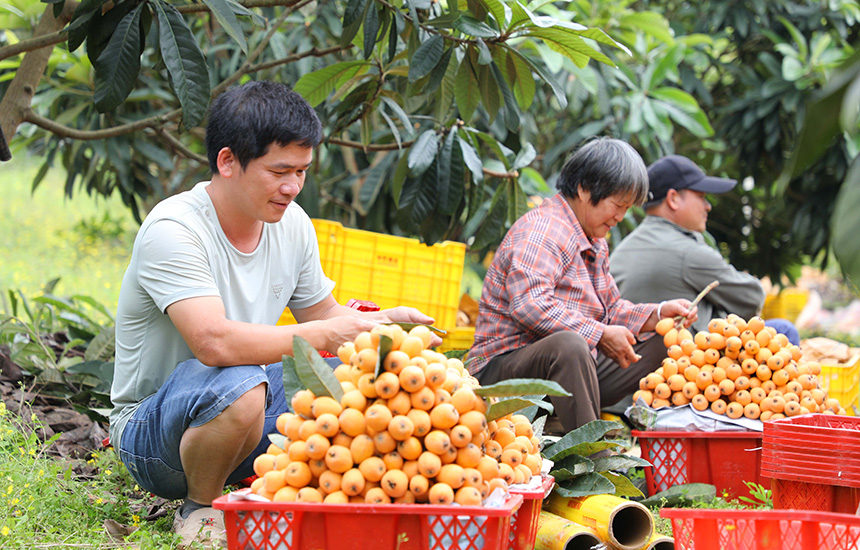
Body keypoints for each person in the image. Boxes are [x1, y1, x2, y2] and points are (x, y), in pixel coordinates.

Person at [109, 81, 437, 548]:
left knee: (360, 370)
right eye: (280, 171)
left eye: (302, 171)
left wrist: (382, 327)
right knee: (241, 380)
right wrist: (327, 330)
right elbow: (214, 343)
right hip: (155, 435)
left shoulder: (292, 223)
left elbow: (324, 312)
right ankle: (200, 507)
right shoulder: (174, 229)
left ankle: (332, 491)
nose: (293, 187)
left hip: (246, 408)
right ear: (227, 161)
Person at [467, 137, 697, 434]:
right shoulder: (544, 229)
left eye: (627, 208)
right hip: (503, 372)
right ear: (584, 189)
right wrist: (599, 334)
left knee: (666, 339)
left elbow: (611, 309)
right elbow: (529, 305)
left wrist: (660, 314)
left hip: (570, 372)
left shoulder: (594, 240)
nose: (620, 217)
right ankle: (594, 459)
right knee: (570, 345)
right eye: (617, 205)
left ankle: (665, 435)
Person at [609, 154, 799, 344]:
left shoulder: (626, 246)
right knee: (784, 330)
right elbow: (752, 297)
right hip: (679, 363)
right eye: (701, 196)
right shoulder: (686, 251)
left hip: (627, 358)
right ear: (673, 198)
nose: (707, 206)